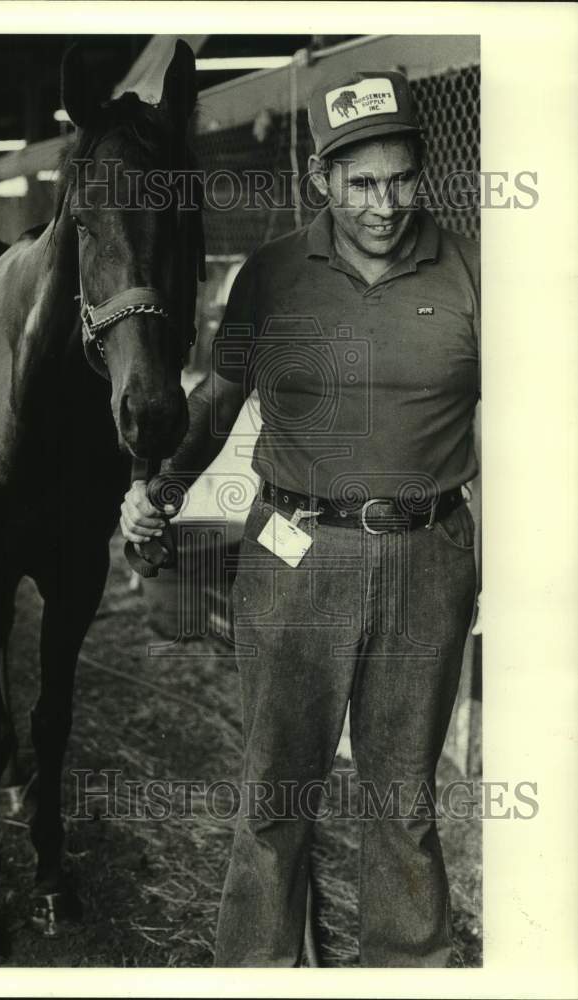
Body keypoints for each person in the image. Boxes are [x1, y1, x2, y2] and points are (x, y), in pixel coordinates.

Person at [120, 69, 480, 968]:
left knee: (402, 800)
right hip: (293, 558)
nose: (384, 203)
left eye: (400, 179)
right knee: (276, 797)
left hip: (427, 555)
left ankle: (409, 974)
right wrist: (158, 491)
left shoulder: (475, 271)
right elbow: (218, 402)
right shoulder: (270, 277)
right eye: (361, 183)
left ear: (420, 174)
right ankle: (258, 974)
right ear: (321, 179)